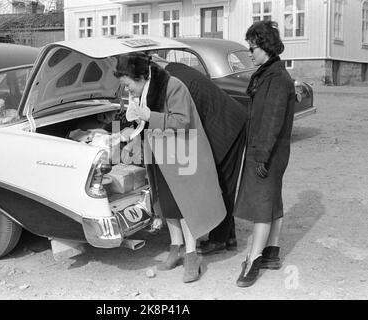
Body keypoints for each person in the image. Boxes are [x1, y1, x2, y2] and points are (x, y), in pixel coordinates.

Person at [113, 52, 227, 283]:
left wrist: (149, 115)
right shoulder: (145, 92)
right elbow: (144, 125)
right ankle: (175, 248)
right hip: (162, 154)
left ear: (141, 77)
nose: (127, 91)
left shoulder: (173, 86)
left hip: (182, 154)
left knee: (185, 206)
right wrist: (134, 137)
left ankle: (192, 255)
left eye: (127, 85)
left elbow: (182, 121)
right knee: (167, 204)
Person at [158, 60, 248, 254]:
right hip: (226, 118)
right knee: (224, 182)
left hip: (227, 126)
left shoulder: (170, 85)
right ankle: (228, 236)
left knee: (222, 183)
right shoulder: (174, 68)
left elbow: (181, 122)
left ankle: (219, 240)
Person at [233, 20, 296, 287]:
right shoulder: (270, 73)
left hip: (267, 151)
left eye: (253, 47)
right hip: (269, 149)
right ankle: (271, 252)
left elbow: (272, 120)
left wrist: (261, 156)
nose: (250, 52)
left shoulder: (277, 78)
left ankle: (254, 260)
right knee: (271, 199)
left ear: (266, 46)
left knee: (261, 204)